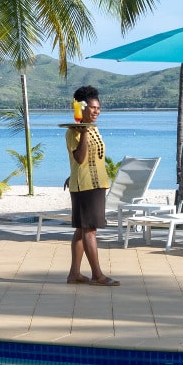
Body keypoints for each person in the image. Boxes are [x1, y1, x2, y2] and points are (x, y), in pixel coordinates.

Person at [64, 85, 118, 286]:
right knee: (89, 230)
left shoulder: (95, 128)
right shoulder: (74, 132)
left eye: (98, 108)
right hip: (85, 186)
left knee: (82, 229)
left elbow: (93, 159)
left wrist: (71, 174)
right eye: (93, 108)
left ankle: (74, 274)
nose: (97, 111)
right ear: (82, 108)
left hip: (97, 184)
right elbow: (79, 158)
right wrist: (84, 131)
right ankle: (97, 275)